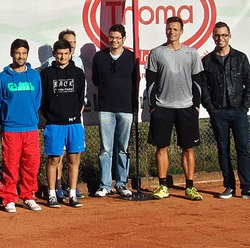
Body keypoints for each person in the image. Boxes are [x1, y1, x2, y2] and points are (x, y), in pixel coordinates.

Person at [145, 16, 204, 201]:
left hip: (186, 107)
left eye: (175, 29)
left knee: (188, 149)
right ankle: (163, 186)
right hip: (163, 107)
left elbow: (198, 82)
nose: (172, 32)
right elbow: (151, 82)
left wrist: (195, 105)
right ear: (165, 30)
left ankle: (190, 187)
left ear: (182, 31)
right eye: (169, 29)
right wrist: (153, 107)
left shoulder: (192, 53)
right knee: (161, 147)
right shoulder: (156, 53)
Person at [0, 39, 43, 213]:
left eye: (23, 53)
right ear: (12, 53)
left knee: (31, 164)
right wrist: (7, 120)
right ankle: (8, 198)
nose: (20, 56)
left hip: (30, 128)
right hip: (11, 129)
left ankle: (28, 196)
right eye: (17, 53)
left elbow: (37, 100)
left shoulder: (35, 76)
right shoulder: (2, 78)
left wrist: (29, 117)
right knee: (10, 165)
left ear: (27, 54)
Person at [200, 21, 250, 199]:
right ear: (213, 37)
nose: (220, 38)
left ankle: (246, 187)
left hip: (238, 111)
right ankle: (229, 186)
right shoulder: (207, 61)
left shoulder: (240, 58)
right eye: (217, 35)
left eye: (223, 35)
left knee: (243, 149)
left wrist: (244, 107)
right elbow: (203, 88)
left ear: (229, 36)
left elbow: (248, 83)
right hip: (218, 113)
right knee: (223, 149)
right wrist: (211, 108)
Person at [38, 29, 86, 201]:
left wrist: (74, 113)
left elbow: (81, 98)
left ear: (70, 54)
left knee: (74, 159)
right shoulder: (46, 74)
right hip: (54, 125)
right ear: (54, 54)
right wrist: (50, 116)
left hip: (74, 124)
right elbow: (41, 100)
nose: (62, 57)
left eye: (66, 53)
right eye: (59, 54)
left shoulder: (78, 73)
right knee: (54, 160)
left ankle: (72, 194)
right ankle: (52, 194)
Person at [92, 24, 137, 197]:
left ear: (124, 39)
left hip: (126, 109)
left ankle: (121, 183)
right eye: (112, 37)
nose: (114, 40)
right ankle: (104, 184)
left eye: (118, 38)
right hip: (105, 109)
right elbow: (96, 80)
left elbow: (135, 83)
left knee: (122, 148)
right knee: (105, 149)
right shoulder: (99, 57)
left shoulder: (132, 58)